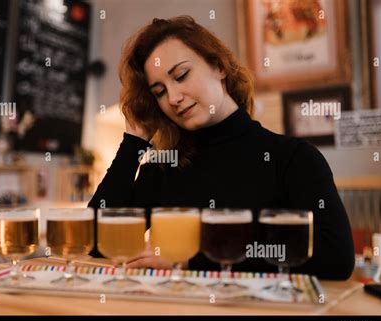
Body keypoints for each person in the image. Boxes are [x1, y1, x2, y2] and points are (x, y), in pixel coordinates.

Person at [88, 16, 354, 280]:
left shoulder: (293, 158)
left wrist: (191, 260)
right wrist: (134, 142)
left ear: (218, 66)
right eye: (159, 92)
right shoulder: (163, 168)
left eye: (181, 75)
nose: (173, 98)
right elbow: (95, 242)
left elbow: (335, 257)